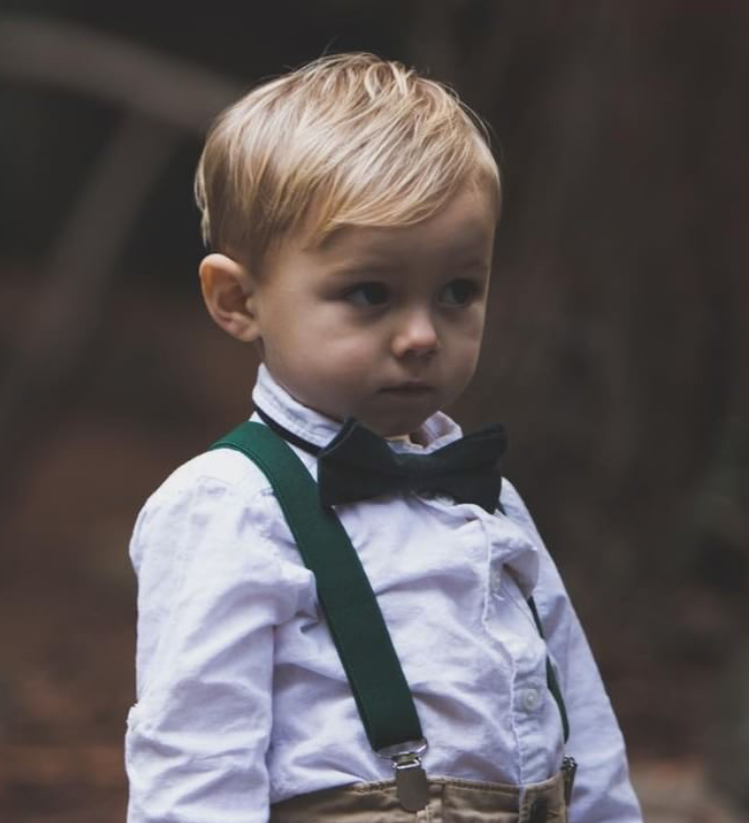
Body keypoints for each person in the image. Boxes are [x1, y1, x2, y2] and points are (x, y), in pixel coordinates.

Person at [124, 53, 642, 823]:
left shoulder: (489, 496)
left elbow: (582, 725)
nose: (421, 335)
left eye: (458, 292)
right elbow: (195, 759)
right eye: (369, 293)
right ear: (237, 299)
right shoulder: (229, 505)